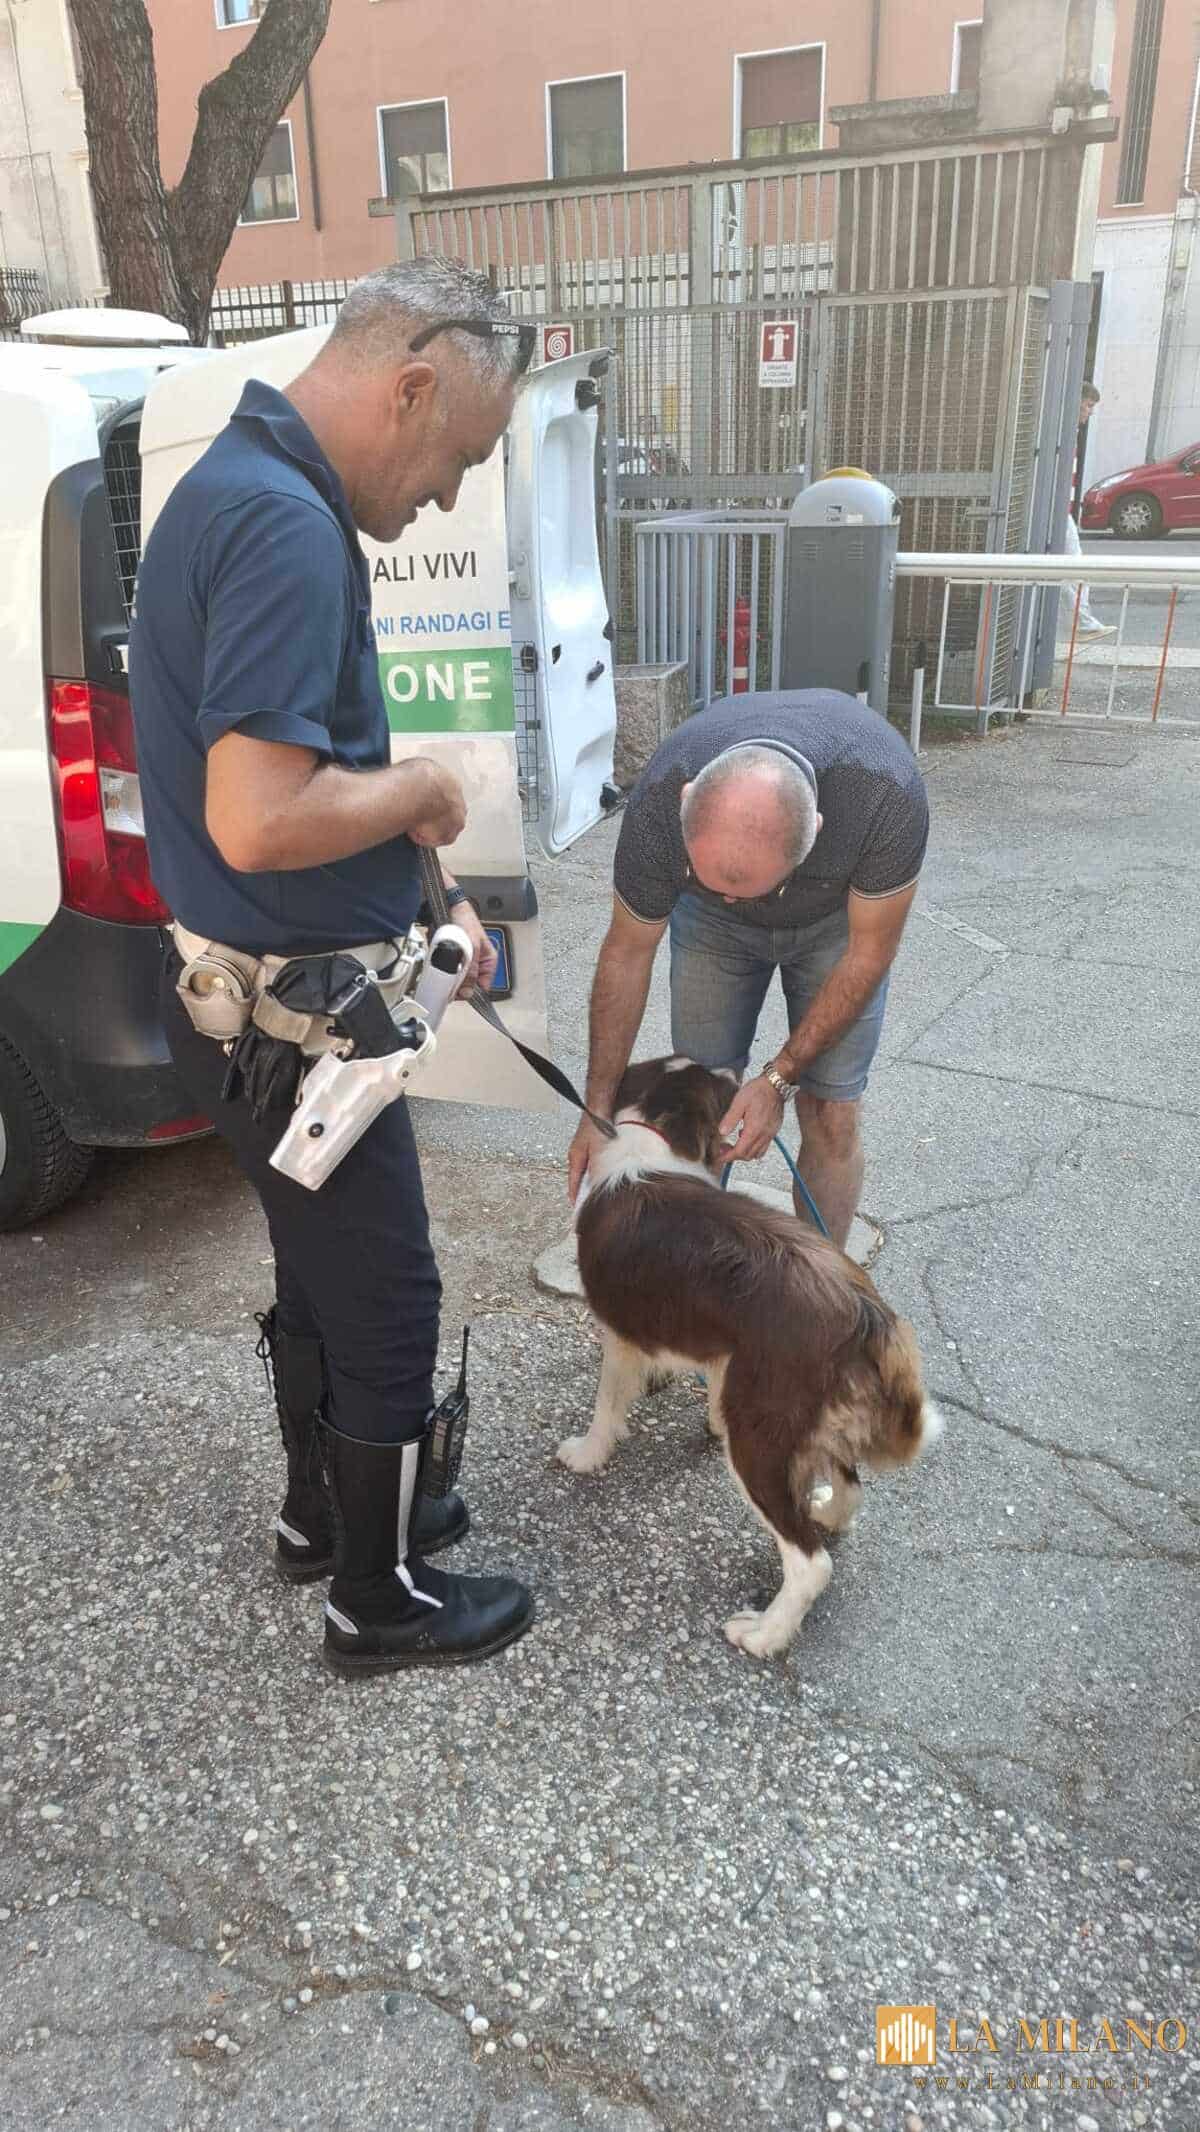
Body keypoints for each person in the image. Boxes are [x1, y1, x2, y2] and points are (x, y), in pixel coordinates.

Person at [129, 259, 537, 1675]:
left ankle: (325, 1512)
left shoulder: (233, 487)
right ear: (411, 380)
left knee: (319, 1276)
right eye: (457, 458)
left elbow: (296, 794)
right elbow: (261, 813)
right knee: (389, 1299)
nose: (442, 496)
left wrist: (427, 889)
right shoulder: (285, 528)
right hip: (296, 1027)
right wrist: (426, 785)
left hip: (243, 1010)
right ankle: (379, 1599)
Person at [567, 690, 929, 1249]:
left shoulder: (883, 793)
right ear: (687, 802)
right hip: (708, 929)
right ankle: (695, 1282)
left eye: (758, 889)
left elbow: (869, 954)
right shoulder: (661, 798)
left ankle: (818, 1293)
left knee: (830, 1109)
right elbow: (627, 953)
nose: (738, 903)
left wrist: (780, 1079)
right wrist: (596, 1107)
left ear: (817, 826)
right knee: (700, 1102)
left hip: (836, 923)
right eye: (713, 880)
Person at [1064, 381, 1113, 639]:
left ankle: (1083, 622)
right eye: (1088, 405)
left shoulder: (1065, 429)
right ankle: (1083, 624)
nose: (1090, 412)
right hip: (1058, 514)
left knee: (1063, 569)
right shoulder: (1063, 431)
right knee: (1073, 567)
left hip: (1060, 512)